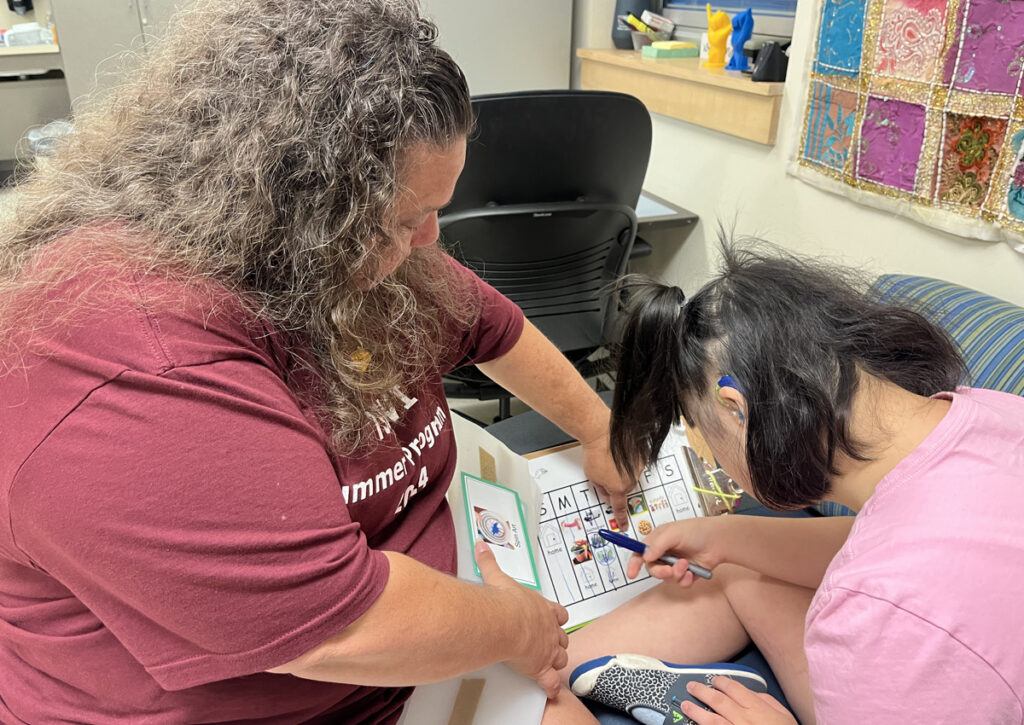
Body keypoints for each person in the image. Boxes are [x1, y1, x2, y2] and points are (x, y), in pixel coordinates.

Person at [0, 1, 634, 722]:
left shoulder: (335, 247)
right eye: (406, 219)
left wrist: (597, 429)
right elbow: (344, 627)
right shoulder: (142, 371)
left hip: (429, 629)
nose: (431, 238)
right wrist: (518, 628)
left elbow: (489, 326)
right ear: (302, 204)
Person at [545, 243, 1024, 725]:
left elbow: (888, 584)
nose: (713, 457)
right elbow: (877, 543)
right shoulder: (992, 412)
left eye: (700, 431)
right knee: (739, 572)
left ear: (736, 410)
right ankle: (542, 675)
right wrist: (721, 537)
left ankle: (533, 687)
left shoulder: (876, 607)